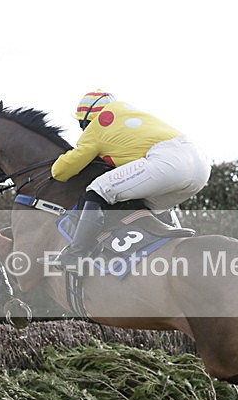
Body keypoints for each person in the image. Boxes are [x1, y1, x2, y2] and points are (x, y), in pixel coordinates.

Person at [45, 90, 211, 270]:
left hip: (168, 162)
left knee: (98, 189)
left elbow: (61, 172)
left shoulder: (96, 128)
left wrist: (55, 165)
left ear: (86, 119)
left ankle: (76, 255)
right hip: (200, 166)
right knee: (141, 204)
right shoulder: (127, 111)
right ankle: (177, 245)